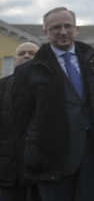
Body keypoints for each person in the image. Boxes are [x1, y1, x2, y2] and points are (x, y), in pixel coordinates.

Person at [11, 7, 94, 201]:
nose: (63, 31)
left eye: (68, 26)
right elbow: (20, 116)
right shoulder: (29, 70)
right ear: (45, 32)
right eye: (56, 27)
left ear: (77, 29)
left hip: (91, 155)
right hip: (52, 159)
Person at [0, 42, 40, 201]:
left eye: (32, 53)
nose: (27, 56)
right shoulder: (2, 86)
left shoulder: (53, 86)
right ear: (15, 59)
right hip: (9, 170)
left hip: (42, 170)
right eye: (22, 53)